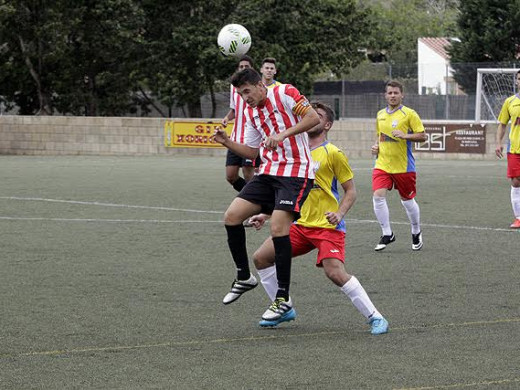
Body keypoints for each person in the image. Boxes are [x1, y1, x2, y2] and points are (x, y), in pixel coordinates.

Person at [249, 102, 389, 334]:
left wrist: (339, 213)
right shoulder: (295, 153)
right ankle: (284, 307)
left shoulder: (333, 153)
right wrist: (266, 213)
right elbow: (288, 193)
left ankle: (375, 317)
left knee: (334, 272)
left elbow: (351, 191)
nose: (312, 117)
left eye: (318, 116)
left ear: (326, 124)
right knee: (261, 258)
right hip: (298, 224)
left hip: (326, 226)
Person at [213, 68, 319, 325]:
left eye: (247, 91)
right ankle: (244, 276)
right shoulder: (249, 112)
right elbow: (252, 151)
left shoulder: (285, 92)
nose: (245, 97)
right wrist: (227, 142)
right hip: (268, 172)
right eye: (240, 94)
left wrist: (283, 134)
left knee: (277, 227)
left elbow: (313, 118)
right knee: (231, 217)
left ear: (260, 85)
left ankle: (282, 298)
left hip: (296, 172)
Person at [371, 80, 427, 251]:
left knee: (407, 201)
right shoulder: (380, 114)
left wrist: (405, 136)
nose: (393, 96)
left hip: (404, 167)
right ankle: (387, 233)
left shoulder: (409, 114)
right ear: (385, 95)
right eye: (390, 93)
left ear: (402, 95)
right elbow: (380, 136)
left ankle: (416, 231)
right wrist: (376, 147)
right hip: (382, 165)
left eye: (396, 93)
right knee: (378, 196)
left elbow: (423, 136)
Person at [221, 55, 258, 192]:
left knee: (249, 175)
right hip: (235, 138)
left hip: (250, 140)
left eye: (246, 67)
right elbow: (234, 110)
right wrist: (226, 118)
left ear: (251, 69)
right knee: (230, 176)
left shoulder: (257, 87)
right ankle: (253, 199)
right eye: (241, 67)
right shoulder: (234, 87)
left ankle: (253, 203)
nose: (243, 69)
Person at [496, 70, 520, 229]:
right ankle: (519, 217)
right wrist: (499, 142)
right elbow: (502, 124)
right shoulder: (510, 101)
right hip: (515, 149)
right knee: (516, 181)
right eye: (519, 78)